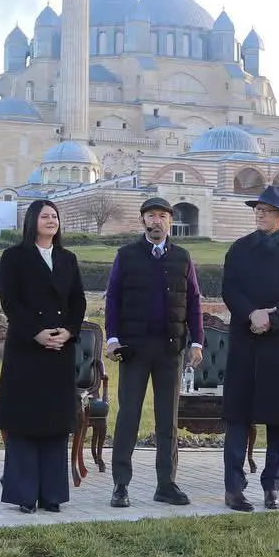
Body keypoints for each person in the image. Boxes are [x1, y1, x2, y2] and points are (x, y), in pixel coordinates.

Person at [220, 185, 279, 512]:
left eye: (266, 210)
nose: (259, 214)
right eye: (257, 209)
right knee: (237, 416)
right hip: (246, 338)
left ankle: (272, 487)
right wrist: (252, 314)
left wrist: (272, 318)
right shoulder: (239, 248)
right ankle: (233, 488)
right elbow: (230, 288)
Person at [103, 196, 204, 508]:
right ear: (142, 221)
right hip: (133, 350)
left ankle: (166, 484)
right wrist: (113, 339)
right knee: (128, 417)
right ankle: (121, 485)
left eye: (162, 216)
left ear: (170, 222)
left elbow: (195, 302)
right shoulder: (126, 255)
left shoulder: (183, 258)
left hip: (170, 349)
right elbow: (113, 300)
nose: (156, 221)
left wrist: (197, 342)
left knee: (167, 421)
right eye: (151, 215)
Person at [0, 200, 87, 513]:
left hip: (59, 351)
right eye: (45, 216)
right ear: (32, 221)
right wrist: (36, 332)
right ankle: (24, 495)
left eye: (55, 216)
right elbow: (10, 302)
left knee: (54, 423)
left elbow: (78, 301)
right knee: (25, 421)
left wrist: (68, 332)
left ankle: (52, 495)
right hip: (26, 349)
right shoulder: (14, 257)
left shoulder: (67, 259)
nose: (52, 220)